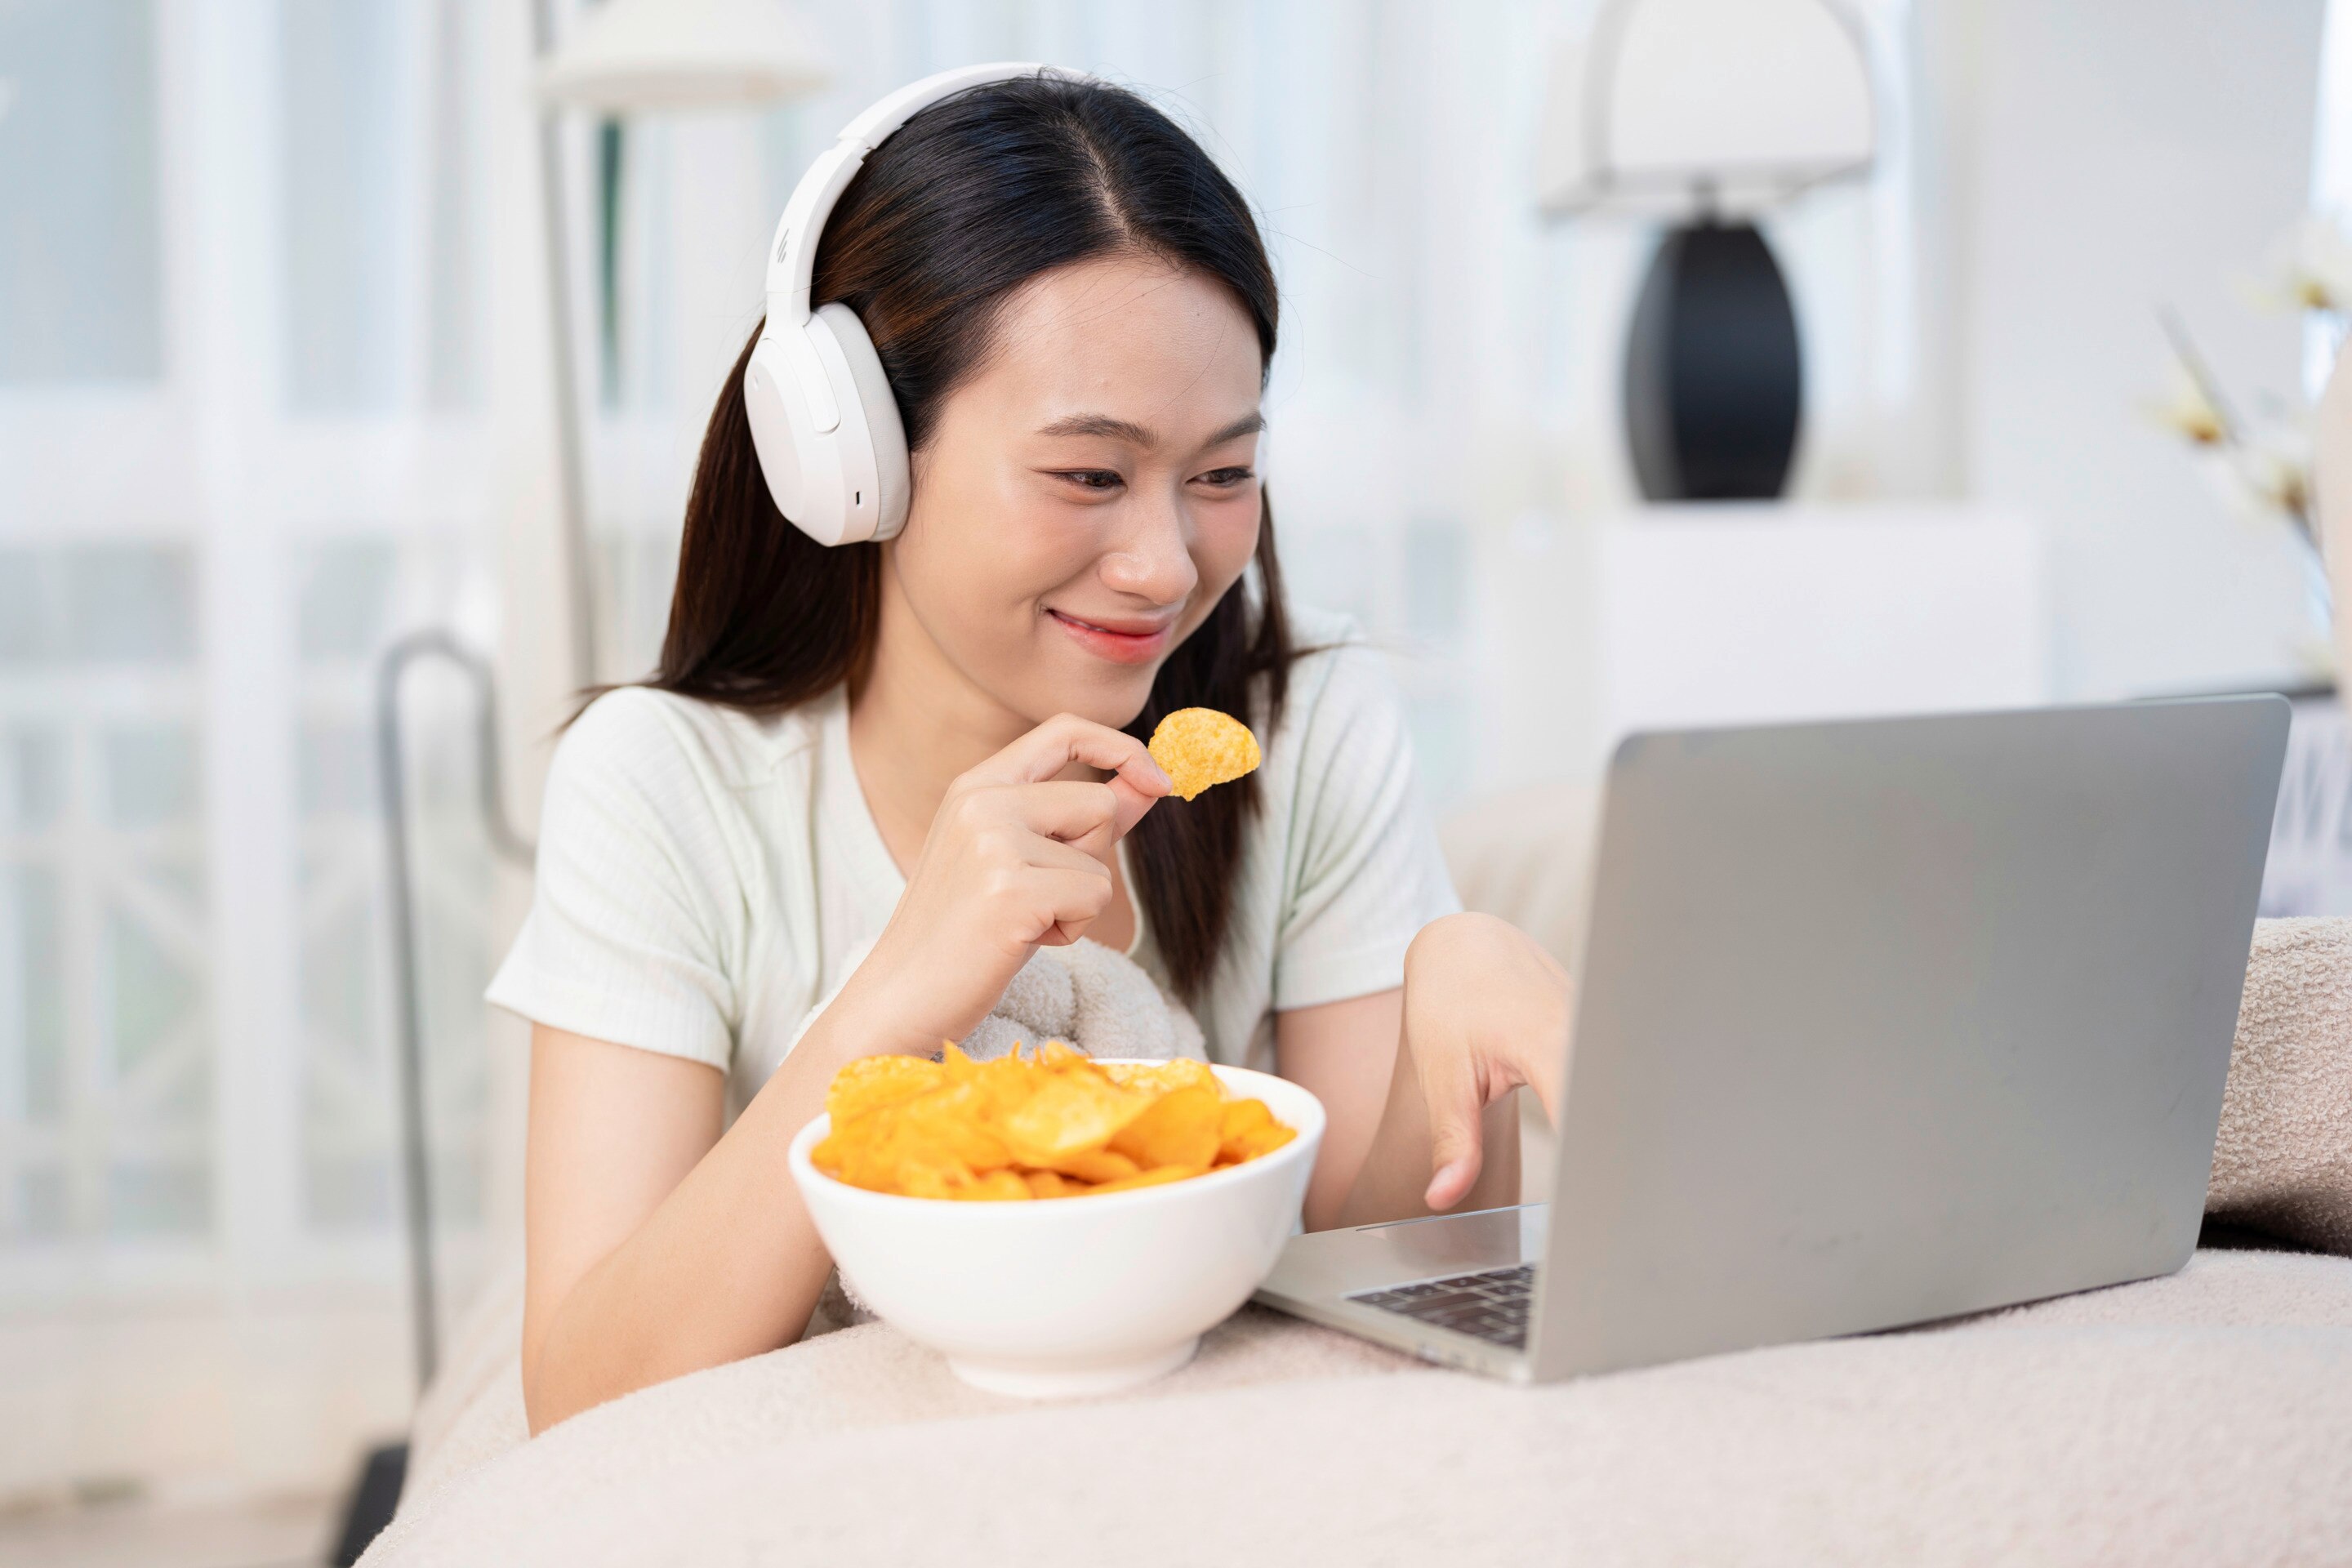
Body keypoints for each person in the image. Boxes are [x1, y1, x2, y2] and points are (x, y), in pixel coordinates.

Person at [490, 71, 1570, 1435]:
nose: (1165, 565)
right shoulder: (661, 782)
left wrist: (1453, 1004)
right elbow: (584, 1397)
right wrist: (906, 987)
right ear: (858, 459)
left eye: (1223, 473)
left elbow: (1399, 1285)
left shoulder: (1306, 731)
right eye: (1090, 474)